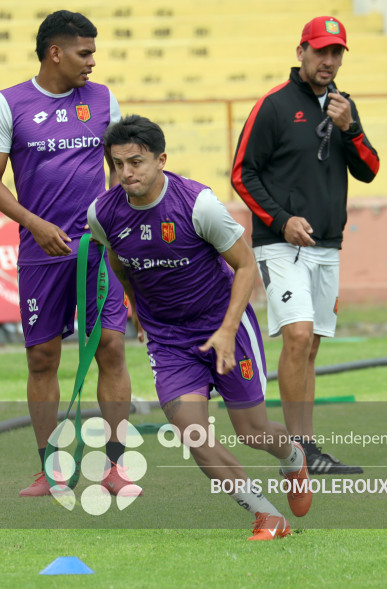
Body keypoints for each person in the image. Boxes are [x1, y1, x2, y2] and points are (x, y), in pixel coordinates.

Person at [87, 115, 312, 540]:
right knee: (193, 433)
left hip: (224, 326)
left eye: (136, 162)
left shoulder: (198, 204)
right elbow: (118, 260)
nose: (126, 173)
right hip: (169, 340)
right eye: (117, 164)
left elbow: (246, 266)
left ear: (161, 160)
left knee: (252, 433)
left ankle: (292, 458)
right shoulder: (103, 213)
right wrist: (136, 308)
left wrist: (227, 330)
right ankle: (267, 516)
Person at [0, 10, 139, 497]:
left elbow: (122, 168)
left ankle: (117, 467)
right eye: (84, 53)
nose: (92, 61)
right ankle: (51, 471)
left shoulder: (104, 99)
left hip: (95, 251)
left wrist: (113, 220)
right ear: (55, 53)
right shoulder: (9, 104)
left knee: (111, 348)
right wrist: (35, 223)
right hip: (41, 252)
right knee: (42, 358)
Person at [231, 16, 380, 475]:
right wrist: (282, 220)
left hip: (327, 246)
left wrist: (350, 128)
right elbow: (241, 173)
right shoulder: (273, 105)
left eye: (336, 53)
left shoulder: (344, 106)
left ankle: (307, 451)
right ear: (301, 52)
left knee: (310, 346)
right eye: (321, 51)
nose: (328, 61)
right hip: (281, 245)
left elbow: (369, 169)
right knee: (297, 336)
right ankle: (296, 451)